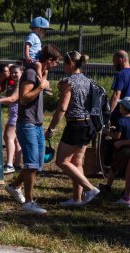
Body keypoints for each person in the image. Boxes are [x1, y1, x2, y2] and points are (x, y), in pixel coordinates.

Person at [4, 44, 61, 214]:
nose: (57, 65)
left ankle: (14, 186)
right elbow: (23, 98)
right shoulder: (29, 73)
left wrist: (41, 71)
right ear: (49, 60)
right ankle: (28, 202)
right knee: (31, 162)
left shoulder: (38, 70)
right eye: (56, 62)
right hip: (27, 123)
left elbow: (42, 74)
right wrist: (41, 87)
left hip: (37, 124)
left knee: (37, 162)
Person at [45, 51, 100, 206]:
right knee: (77, 163)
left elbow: (62, 108)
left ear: (70, 64)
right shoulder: (89, 81)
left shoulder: (68, 82)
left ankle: (90, 189)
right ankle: (77, 198)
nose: (62, 66)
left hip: (75, 125)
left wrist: (51, 128)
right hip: (88, 124)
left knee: (62, 161)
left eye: (64, 63)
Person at [0, 64, 23, 174]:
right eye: (12, 73)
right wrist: (1, 98)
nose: (13, 74)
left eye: (16, 72)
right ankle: (17, 164)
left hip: (16, 115)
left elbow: (12, 99)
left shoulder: (19, 85)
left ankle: (9, 164)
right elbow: (9, 98)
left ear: (22, 72)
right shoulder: (16, 84)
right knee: (16, 140)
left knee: (8, 137)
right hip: (17, 114)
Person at [99, 97, 130, 201]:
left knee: (114, 168)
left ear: (124, 108)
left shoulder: (121, 120)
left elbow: (117, 136)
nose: (119, 107)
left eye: (120, 105)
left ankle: (108, 186)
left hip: (122, 149)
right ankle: (126, 190)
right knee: (127, 171)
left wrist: (106, 132)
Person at [23, 16, 54, 81]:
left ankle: (45, 84)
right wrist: (27, 57)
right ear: (39, 29)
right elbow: (27, 45)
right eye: (45, 30)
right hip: (30, 60)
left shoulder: (36, 38)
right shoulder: (32, 36)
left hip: (34, 59)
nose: (45, 33)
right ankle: (40, 81)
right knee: (39, 65)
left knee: (45, 68)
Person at [110, 50, 130, 127]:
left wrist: (109, 113)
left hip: (120, 114)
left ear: (120, 60)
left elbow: (116, 95)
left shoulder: (121, 74)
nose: (114, 64)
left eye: (114, 61)